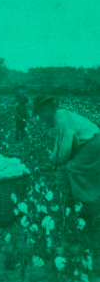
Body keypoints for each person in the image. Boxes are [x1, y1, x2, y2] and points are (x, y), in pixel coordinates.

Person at [33, 95, 100, 246]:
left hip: (93, 144)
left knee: (74, 171)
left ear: (49, 109)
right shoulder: (59, 117)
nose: (41, 118)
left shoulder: (61, 118)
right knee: (83, 176)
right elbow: (59, 144)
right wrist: (51, 160)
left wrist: (57, 162)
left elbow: (66, 147)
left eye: (41, 113)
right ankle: (84, 209)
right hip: (93, 143)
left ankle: (85, 211)